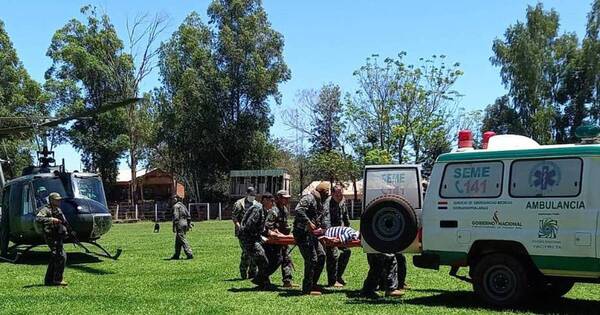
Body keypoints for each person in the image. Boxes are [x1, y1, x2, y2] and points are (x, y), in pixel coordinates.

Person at [293, 181, 331, 296]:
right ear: (321, 191)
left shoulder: (320, 201)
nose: (328, 194)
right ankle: (307, 289)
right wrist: (308, 223)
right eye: (327, 192)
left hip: (312, 234)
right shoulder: (309, 198)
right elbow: (298, 210)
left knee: (321, 255)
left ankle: (313, 283)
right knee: (312, 259)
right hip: (302, 234)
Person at [239, 193, 281, 289]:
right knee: (263, 260)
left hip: (254, 238)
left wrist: (269, 232)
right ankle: (264, 283)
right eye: (271, 201)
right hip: (249, 239)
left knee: (271, 258)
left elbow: (261, 227)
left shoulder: (263, 210)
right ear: (265, 200)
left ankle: (261, 281)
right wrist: (261, 236)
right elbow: (249, 227)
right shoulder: (257, 209)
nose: (273, 203)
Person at [35, 192, 68, 286]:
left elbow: (64, 221)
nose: (59, 201)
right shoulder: (45, 210)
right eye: (57, 200)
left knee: (56, 257)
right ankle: (57, 279)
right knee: (61, 256)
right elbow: (38, 219)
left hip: (58, 235)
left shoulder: (58, 210)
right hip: (50, 235)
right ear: (51, 200)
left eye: (59, 199)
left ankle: (49, 280)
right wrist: (51, 219)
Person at [265, 190, 296, 287]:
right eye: (284, 198)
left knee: (286, 258)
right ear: (278, 198)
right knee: (273, 261)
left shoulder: (285, 209)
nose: (287, 200)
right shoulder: (274, 211)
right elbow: (267, 226)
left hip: (283, 240)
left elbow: (285, 225)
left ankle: (287, 281)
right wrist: (276, 231)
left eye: (288, 198)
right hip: (273, 241)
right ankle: (263, 279)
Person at [323, 185, 351, 288]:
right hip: (330, 233)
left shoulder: (342, 201)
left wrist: (348, 230)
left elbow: (345, 216)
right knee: (333, 255)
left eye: (341, 194)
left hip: (340, 232)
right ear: (332, 194)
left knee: (347, 251)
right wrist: (329, 236)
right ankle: (332, 281)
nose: (339, 196)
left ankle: (338, 276)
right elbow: (326, 220)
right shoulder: (328, 203)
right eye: (337, 194)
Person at [232, 187, 259, 279]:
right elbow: (235, 217)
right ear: (247, 194)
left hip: (253, 233)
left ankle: (253, 273)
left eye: (254, 195)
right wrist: (239, 227)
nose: (252, 197)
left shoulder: (256, 204)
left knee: (255, 253)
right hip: (242, 233)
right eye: (251, 195)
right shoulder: (239, 204)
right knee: (246, 252)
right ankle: (243, 272)